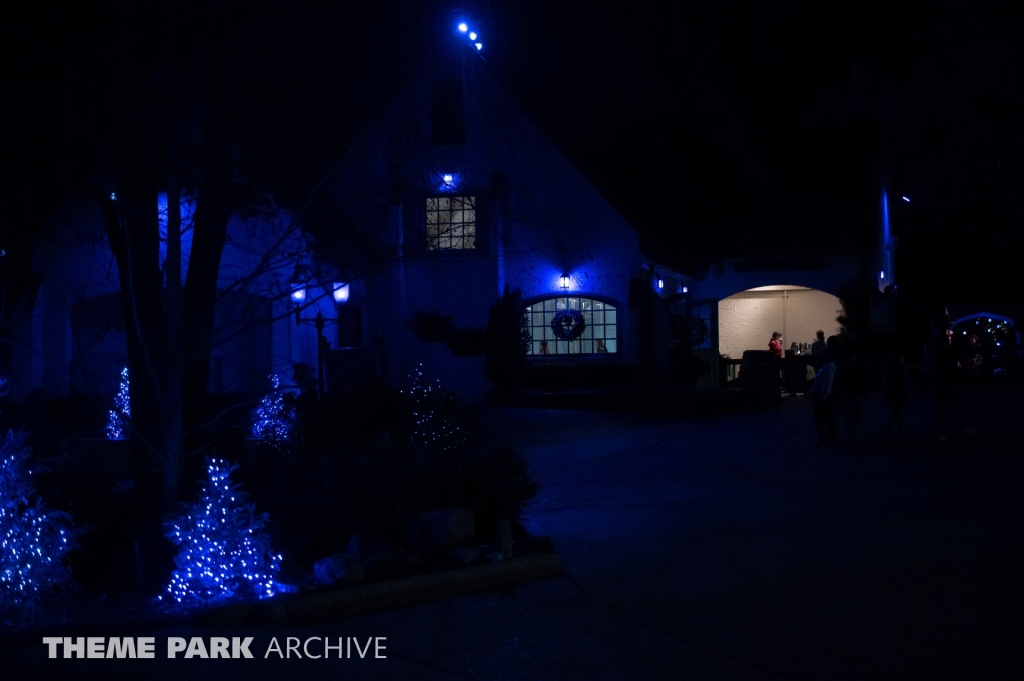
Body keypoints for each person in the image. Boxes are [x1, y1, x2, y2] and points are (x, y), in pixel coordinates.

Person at [928, 318, 968, 442]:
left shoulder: (937, 344)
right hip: (944, 379)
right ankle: (943, 432)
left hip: (945, 379)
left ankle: (952, 430)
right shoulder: (940, 346)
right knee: (944, 406)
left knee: (949, 406)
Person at [806, 336, 838, 446]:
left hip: (822, 397)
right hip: (824, 396)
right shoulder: (830, 366)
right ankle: (830, 438)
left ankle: (825, 438)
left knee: (822, 418)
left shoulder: (827, 367)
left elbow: (825, 383)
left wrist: (821, 396)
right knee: (829, 418)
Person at [881, 351, 912, 447]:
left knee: (897, 416)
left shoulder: (889, 371)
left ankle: (895, 436)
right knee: (897, 416)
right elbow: (904, 384)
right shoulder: (899, 372)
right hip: (898, 396)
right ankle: (892, 437)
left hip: (894, 396)